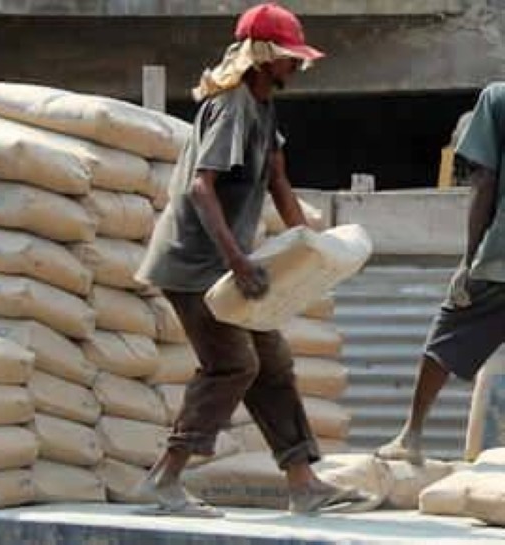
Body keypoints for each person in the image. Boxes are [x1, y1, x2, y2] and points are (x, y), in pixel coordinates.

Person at [135, 3, 366, 517]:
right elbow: (201, 186)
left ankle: (304, 484)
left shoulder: (263, 106)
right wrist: (238, 259)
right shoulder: (233, 104)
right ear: (263, 56)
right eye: (290, 57)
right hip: (194, 264)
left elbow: (279, 182)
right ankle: (164, 478)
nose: (297, 67)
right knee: (233, 363)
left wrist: (314, 249)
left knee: (274, 363)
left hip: (227, 263)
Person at [376, 83, 505, 465]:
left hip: (500, 260)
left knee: (448, 332)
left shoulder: (497, 98)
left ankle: (411, 435)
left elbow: (483, 181)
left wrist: (468, 260)